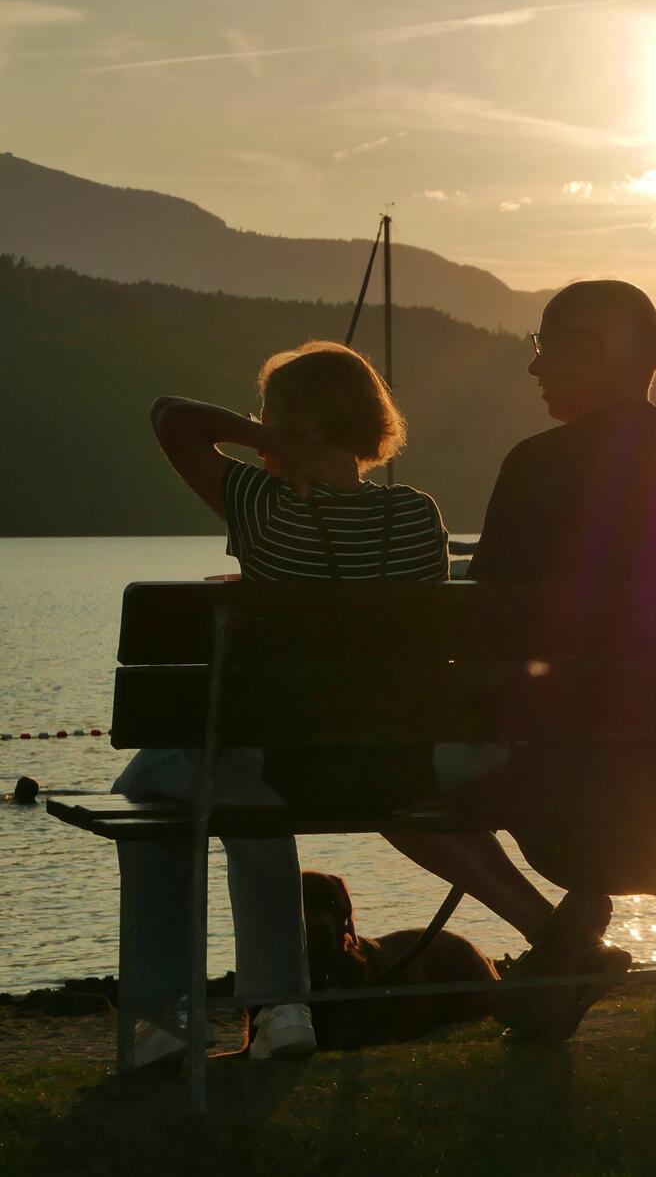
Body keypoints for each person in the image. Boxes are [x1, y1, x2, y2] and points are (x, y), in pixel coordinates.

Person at [385, 279, 656, 1039]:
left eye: (543, 347)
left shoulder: (535, 465)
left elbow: (488, 630)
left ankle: (555, 937)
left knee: (389, 784)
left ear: (593, 352)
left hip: (561, 794)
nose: (532, 370)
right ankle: (566, 941)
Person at [117, 341, 449, 1068]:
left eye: (268, 417)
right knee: (230, 790)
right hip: (378, 759)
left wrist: (275, 449)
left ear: (288, 426)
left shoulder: (261, 507)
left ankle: (168, 1019)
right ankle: (283, 1011)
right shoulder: (417, 516)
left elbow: (170, 416)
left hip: (277, 757)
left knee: (155, 789)